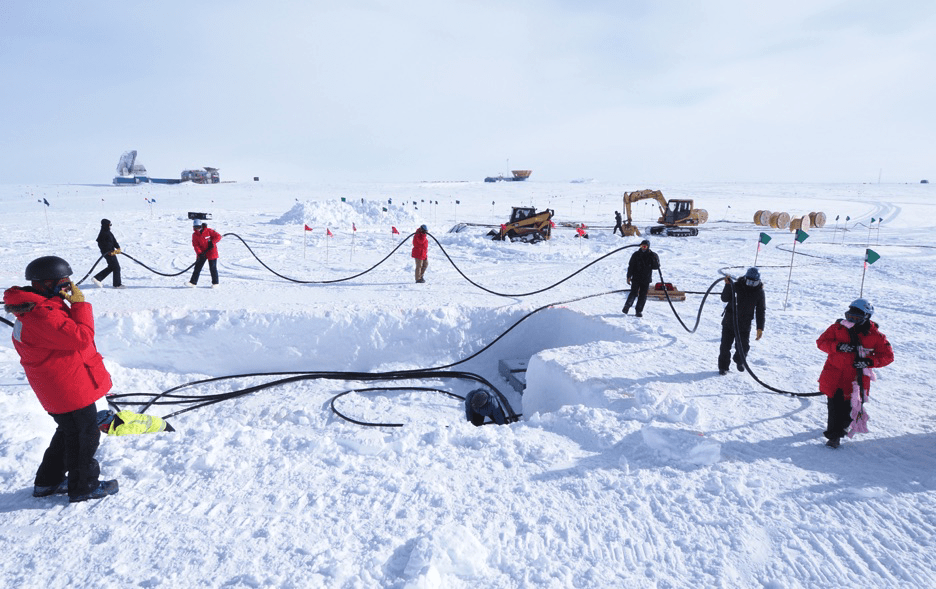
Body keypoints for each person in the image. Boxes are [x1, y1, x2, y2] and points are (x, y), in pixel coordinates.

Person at [2, 255, 119, 502]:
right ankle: (84, 487)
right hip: (67, 388)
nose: (68, 285)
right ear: (45, 283)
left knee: (68, 433)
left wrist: (62, 299)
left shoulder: (39, 306)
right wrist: (79, 305)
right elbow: (81, 337)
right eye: (63, 281)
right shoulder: (42, 315)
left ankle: (47, 483)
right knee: (85, 436)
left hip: (60, 385)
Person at [816, 298, 894, 448]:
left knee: (848, 409)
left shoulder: (875, 336)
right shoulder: (837, 328)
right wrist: (837, 346)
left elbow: (888, 356)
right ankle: (834, 436)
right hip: (834, 376)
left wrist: (869, 362)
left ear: (866, 317)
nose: (851, 319)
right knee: (834, 406)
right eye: (849, 316)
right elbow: (821, 342)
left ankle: (841, 427)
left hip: (855, 381)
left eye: (856, 318)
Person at [718, 267, 766, 375]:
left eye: (753, 283)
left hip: (744, 324)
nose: (750, 285)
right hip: (729, 321)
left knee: (744, 347)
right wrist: (727, 285)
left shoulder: (759, 292)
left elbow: (760, 310)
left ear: (758, 282)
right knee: (725, 346)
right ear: (745, 278)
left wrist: (760, 328)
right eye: (749, 281)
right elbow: (724, 298)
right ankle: (723, 367)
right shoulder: (736, 286)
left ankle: (740, 361)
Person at [621, 239, 660, 317]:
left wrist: (654, 258)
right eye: (642, 246)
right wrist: (628, 276)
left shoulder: (652, 255)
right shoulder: (636, 254)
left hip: (646, 279)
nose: (643, 248)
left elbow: (656, 267)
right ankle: (627, 306)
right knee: (633, 293)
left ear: (648, 247)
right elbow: (631, 266)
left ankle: (638, 311)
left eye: (645, 246)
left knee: (643, 295)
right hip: (636, 278)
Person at [187, 220, 223, 288]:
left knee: (213, 268)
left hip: (212, 251)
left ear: (201, 226)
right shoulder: (194, 235)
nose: (197, 229)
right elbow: (195, 245)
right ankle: (193, 282)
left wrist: (212, 242)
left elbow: (218, 236)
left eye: (198, 227)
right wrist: (199, 253)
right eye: (195, 227)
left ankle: (215, 283)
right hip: (202, 253)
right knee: (197, 268)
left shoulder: (209, 231)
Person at [92, 218, 124, 289]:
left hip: (112, 252)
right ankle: (117, 284)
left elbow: (114, 241)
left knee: (112, 267)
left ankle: (97, 278)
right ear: (106, 225)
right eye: (109, 225)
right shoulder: (102, 234)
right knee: (116, 267)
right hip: (107, 253)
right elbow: (101, 245)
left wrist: (118, 248)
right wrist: (109, 252)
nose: (110, 226)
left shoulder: (108, 232)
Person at [97, 409, 175, 436]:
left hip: (163, 430)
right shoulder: (121, 416)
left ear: (106, 424)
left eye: (100, 427)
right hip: (160, 422)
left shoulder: (122, 430)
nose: (100, 430)